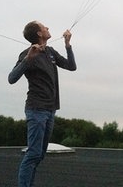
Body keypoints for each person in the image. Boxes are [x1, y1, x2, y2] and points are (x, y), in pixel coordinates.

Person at [8, 20, 77, 187]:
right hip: (36, 109)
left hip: (50, 110)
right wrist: (28, 59)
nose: (48, 28)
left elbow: (71, 66)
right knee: (33, 154)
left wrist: (68, 45)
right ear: (39, 33)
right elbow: (12, 78)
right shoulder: (27, 53)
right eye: (44, 27)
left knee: (39, 155)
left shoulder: (51, 52)